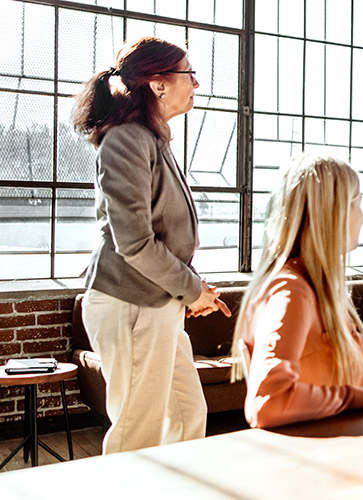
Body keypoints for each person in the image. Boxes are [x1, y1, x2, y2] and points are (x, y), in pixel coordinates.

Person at [73, 37, 230, 454]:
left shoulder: (154, 138)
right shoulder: (126, 139)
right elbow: (135, 243)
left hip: (159, 305)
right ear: (158, 84)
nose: (196, 83)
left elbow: (167, 237)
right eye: (189, 74)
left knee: (186, 414)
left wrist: (193, 289)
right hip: (128, 305)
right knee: (136, 430)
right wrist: (193, 289)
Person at [232, 154, 363, 428]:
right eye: (357, 203)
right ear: (333, 214)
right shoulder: (292, 291)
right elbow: (269, 402)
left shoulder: (321, 288)